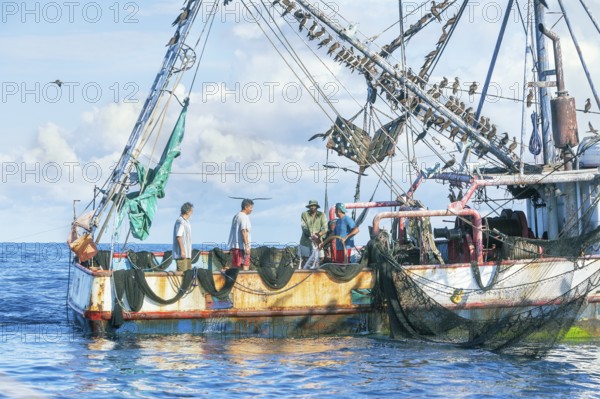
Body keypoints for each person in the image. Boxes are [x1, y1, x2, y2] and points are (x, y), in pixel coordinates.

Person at [299, 199, 327, 268]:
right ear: (309, 207)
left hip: (317, 240)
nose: (312, 207)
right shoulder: (304, 214)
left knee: (320, 258)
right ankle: (303, 274)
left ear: (317, 207)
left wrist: (318, 235)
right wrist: (310, 235)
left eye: (314, 205)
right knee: (305, 258)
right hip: (305, 240)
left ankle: (316, 272)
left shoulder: (322, 215)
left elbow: (325, 228)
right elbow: (303, 226)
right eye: (311, 206)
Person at [227, 198, 253, 270]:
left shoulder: (236, 216)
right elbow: (243, 231)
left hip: (235, 246)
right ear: (246, 207)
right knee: (245, 265)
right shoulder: (243, 217)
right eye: (251, 207)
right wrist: (247, 246)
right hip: (241, 247)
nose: (252, 210)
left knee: (235, 267)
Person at [173, 202, 193, 272]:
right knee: (182, 275)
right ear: (187, 211)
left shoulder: (187, 222)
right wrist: (183, 251)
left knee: (189, 275)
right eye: (191, 210)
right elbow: (178, 236)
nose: (192, 212)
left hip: (187, 254)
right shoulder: (180, 221)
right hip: (182, 255)